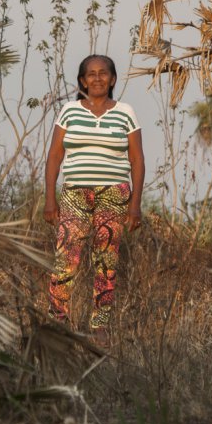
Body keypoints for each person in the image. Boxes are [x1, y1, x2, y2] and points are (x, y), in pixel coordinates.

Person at [43, 54, 145, 336]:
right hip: (74, 193)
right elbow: (54, 156)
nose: (97, 78)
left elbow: (137, 160)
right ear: (82, 81)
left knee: (106, 260)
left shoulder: (125, 112)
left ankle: (99, 328)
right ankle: (56, 323)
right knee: (66, 258)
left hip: (113, 194)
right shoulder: (69, 111)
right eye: (91, 73)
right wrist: (50, 199)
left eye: (103, 73)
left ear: (112, 80)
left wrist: (135, 206)